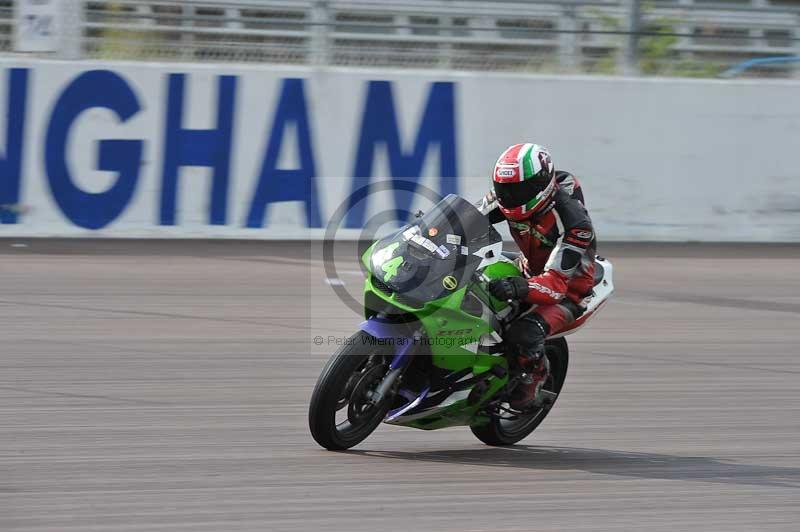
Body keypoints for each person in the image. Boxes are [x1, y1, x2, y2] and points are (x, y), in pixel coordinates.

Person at [476, 143, 596, 410]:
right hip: (527, 268)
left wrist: (517, 288)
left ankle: (534, 380)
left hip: (568, 292)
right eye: (503, 187)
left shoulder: (574, 222)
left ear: (540, 185)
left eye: (517, 189)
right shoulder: (505, 197)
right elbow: (466, 220)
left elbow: (555, 285)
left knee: (525, 330)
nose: (509, 195)